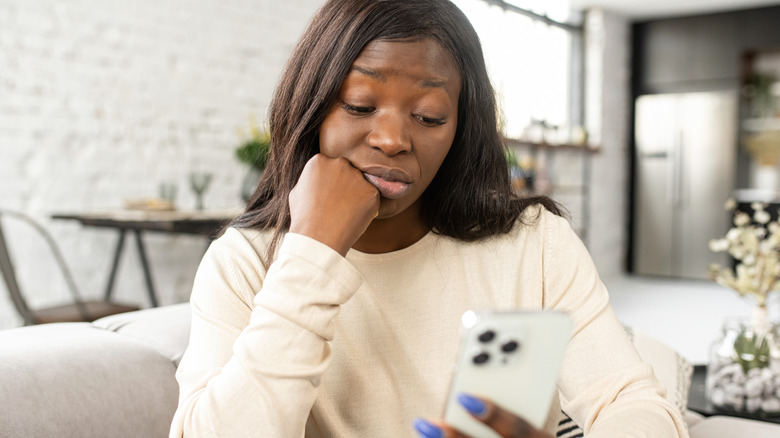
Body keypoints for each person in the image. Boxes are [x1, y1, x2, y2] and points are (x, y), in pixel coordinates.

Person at [170, 0, 688, 437]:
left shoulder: (533, 244)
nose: (392, 139)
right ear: (311, 107)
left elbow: (632, 403)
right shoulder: (244, 262)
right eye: (360, 106)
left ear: (460, 127)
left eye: (428, 116)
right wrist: (312, 254)